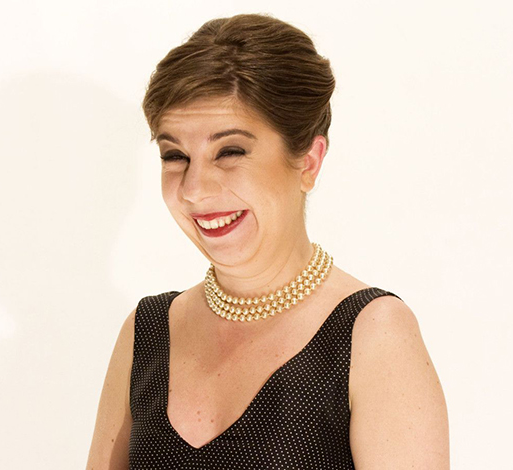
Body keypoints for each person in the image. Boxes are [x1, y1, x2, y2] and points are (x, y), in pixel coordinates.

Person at [86, 13, 448, 469]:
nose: (194, 189)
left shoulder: (374, 335)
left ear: (309, 162)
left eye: (230, 151)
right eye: (175, 155)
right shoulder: (147, 332)